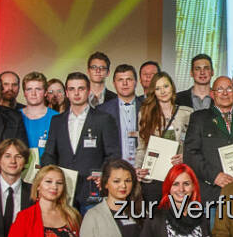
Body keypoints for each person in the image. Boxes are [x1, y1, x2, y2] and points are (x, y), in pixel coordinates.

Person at [42, 72, 121, 211]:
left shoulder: (103, 119)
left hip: (92, 189)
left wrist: (102, 174)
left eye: (81, 88)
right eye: (72, 89)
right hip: (62, 190)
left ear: (88, 91)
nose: (76, 93)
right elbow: (49, 154)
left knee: (92, 232)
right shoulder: (57, 121)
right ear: (66, 92)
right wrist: (50, 178)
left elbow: (113, 154)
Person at [185, 76, 233, 197]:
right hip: (212, 192)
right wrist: (214, 176)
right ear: (212, 94)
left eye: (229, 89)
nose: (225, 93)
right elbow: (190, 154)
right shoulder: (199, 118)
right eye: (219, 89)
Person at [96, 63, 144, 164]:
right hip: (113, 168)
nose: (125, 83)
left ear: (136, 82)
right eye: (120, 80)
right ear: (114, 83)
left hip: (143, 169)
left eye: (129, 79)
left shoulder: (147, 108)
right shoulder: (101, 111)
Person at [20, 71, 54, 160]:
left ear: (45, 92)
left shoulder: (56, 118)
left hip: (48, 170)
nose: (33, 93)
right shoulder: (15, 117)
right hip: (19, 170)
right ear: (24, 93)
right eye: (29, 89)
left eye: (38, 89)